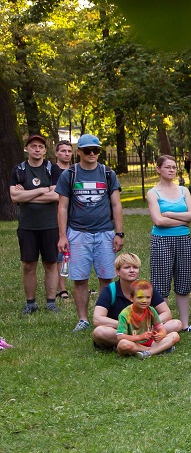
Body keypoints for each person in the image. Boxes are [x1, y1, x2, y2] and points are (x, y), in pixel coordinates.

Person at [55, 134, 124, 333]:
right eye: (87, 150)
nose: (92, 153)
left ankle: (102, 317)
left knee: (106, 277)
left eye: (96, 150)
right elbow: (62, 207)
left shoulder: (108, 173)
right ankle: (83, 319)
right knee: (80, 278)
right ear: (79, 152)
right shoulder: (70, 174)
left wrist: (119, 233)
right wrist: (62, 235)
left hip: (105, 233)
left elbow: (116, 204)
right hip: (78, 233)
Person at [11, 134, 63, 314]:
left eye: (40, 147)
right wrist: (43, 190)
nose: (37, 149)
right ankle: (30, 303)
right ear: (27, 149)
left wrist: (27, 194)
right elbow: (14, 196)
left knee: (50, 263)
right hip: (27, 226)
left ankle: (50, 302)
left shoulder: (53, 169)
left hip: (50, 225)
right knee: (28, 264)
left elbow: (57, 196)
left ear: (45, 150)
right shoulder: (19, 169)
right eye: (33, 146)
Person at [145, 155, 191, 332]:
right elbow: (158, 221)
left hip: (183, 239)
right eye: (167, 167)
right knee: (161, 282)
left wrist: (170, 214)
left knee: (184, 281)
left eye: (174, 167)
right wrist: (183, 220)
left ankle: (184, 323)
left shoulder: (184, 191)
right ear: (158, 169)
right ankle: (162, 323)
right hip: (161, 240)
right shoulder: (153, 193)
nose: (171, 170)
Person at [91, 253, 183, 350]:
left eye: (135, 267)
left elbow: (166, 313)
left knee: (176, 324)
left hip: (146, 329)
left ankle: (132, 347)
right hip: (121, 330)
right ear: (117, 271)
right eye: (127, 267)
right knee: (99, 332)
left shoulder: (146, 287)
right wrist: (127, 325)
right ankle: (154, 347)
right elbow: (97, 319)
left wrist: (150, 324)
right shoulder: (110, 290)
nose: (132, 270)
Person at [114, 279, 180, 358]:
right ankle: (155, 350)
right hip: (134, 343)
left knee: (175, 335)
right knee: (123, 344)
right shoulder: (125, 314)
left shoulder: (151, 310)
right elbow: (120, 337)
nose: (144, 301)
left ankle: (147, 353)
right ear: (131, 298)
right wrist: (140, 337)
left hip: (150, 342)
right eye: (140, 297)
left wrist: (161, 334)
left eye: (148, 297)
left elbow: (161, 328)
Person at [53, 139, 73, 302]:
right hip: (54, 217)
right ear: (56, 153)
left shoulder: (76, 171)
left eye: (69, 151)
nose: (66, 154)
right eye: (63, 151)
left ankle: (79, 285)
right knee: (60, 255)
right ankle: (62, 288)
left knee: (75, 254)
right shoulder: (51, 171)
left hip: (74, 218)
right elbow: (52, 195)